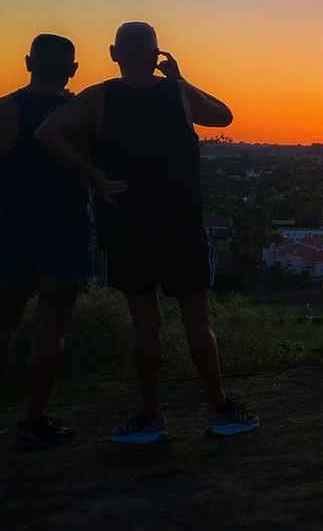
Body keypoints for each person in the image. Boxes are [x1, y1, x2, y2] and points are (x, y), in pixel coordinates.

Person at [37, 22, 259, 443]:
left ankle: (150, 415)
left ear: (113, 53)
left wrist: (92, 174)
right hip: (180, 222)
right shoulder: (175, 93)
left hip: (124, 223)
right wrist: (180, 79)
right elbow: (223, 115)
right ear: (158, 54)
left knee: (145, 322)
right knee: (197, 317)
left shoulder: (99, 97)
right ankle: (219, 408)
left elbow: (46, 132)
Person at [0, 35, 120, 451]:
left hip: (12, 222)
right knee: (51, 326)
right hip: (66, 223)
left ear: (27, 62)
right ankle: (33, 422)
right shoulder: (77, 116)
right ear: (72, 70)